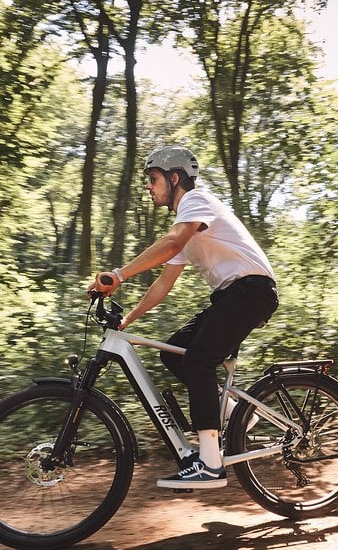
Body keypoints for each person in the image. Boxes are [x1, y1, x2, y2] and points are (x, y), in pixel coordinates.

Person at [89, 146, 278, 489]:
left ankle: (209, 463)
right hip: (232, 296)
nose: (149, 186)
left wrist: (119, 274)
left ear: (174, 178)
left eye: (153, 178)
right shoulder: (187, 225)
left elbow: (173, 243)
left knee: (198, 362)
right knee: (173, 352)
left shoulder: (195, 201)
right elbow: (164, 282)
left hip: (251, 292)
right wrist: (128, 319)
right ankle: (236, 415)